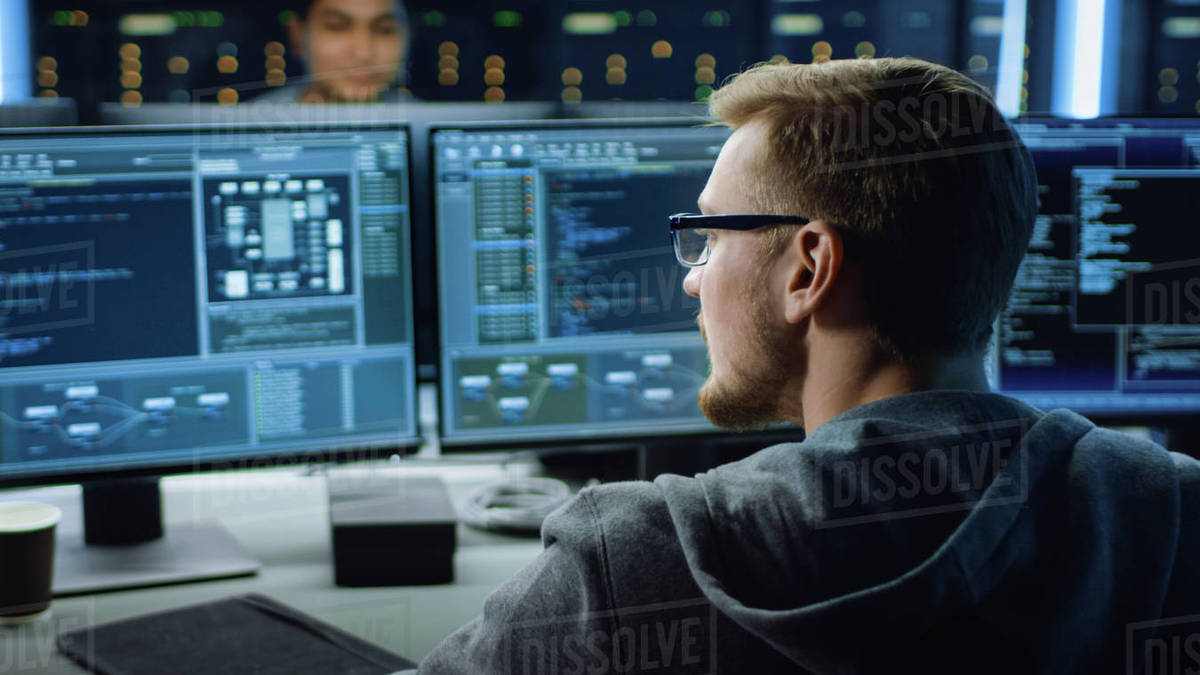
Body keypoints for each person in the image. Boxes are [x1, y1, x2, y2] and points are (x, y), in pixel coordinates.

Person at [407, 57, 1200, 673]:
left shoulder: (631, 561)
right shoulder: (1168, 514)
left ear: (809, 267)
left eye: (712, 236)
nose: (693, 273)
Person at [255, 0, 410, 103]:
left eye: (385, 29)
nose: (363, 53)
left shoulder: (430, 122)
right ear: (298, 36)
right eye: (336, 26)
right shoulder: (250, 125)